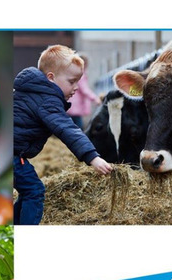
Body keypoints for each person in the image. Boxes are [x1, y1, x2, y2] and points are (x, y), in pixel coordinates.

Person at [13, 44, 113, 225]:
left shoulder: (30, 90)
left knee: (28, 191)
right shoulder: (47, 100)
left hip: (10, 152)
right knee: (34, 191)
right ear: (51, 78)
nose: (76, 87)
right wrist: (93, 157)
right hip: (13, 155)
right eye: (72, 81)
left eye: (78, 81)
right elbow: (68, 129)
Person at [66, 54, 100, 129]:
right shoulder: (80, 74)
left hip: (71, 104)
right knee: (78, 127)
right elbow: (85, 90)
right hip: (76, 106)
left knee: (71, 126)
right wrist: (95, 99)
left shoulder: (72, 72)